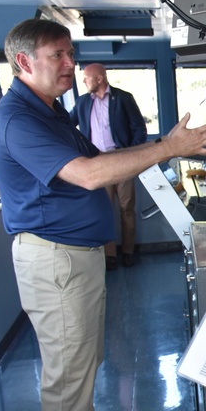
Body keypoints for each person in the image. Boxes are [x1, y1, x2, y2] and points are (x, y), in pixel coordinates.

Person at [0, 18, 206, 411]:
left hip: (76, 258)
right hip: (55, 262)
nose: (71, 65)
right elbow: (90, 175)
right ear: (24, 62)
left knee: (82, 370)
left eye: (71, 54)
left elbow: (98, 157)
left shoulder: (48, 112)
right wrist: (168, 148)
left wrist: (162, 144)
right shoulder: (17, 120)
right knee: (66, 381)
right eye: (59, 56)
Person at [70, 62, 147, 269]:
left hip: (122, 160)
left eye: (87, 77)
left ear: (100, 78)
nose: (84, 81)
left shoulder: (123, 98)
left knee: (126, 208)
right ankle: (110, 254)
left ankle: (128, 252)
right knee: (104, 210)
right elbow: (67, 126)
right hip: (97, 163)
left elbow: (139, 128)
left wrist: (131, 153)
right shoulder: (82, 102)